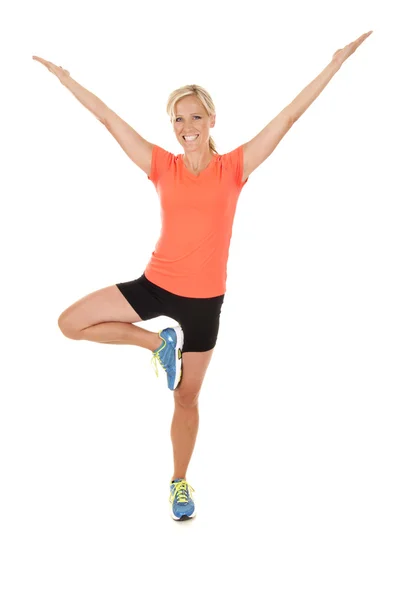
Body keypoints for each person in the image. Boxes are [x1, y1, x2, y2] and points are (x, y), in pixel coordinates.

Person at [32, 30, 372, 521]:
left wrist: (335, 63)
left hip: (204, 302)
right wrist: (67, 80)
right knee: (69, 323)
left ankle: (179, 483)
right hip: (154, 284)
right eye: (178, 118)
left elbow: (290, 116)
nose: (186, 126)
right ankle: (157, 345)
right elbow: (109, 120)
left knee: (186, 398)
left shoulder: (235, 167)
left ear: (212, 120)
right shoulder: (161, 165)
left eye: (195, 116)